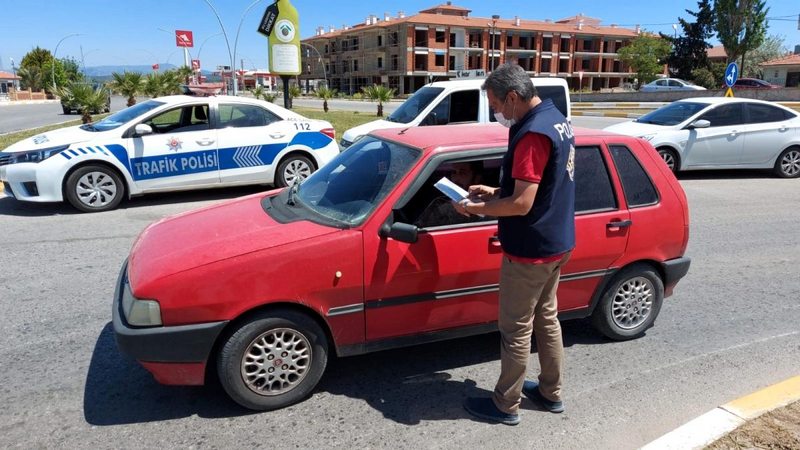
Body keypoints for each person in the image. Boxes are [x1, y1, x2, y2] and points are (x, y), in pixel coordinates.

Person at [455, 63, 576, 425]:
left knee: (516, 329)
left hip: (529, 250)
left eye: (495, 104)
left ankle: (506, 404)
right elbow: (541, 186)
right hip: (557, 242)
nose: (495, 113)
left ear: (512, 97)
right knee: (547, 319)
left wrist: (478, 208)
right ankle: (551, 393)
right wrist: (495, 191)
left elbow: (522, 204)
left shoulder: (531, 134)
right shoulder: (554, 117)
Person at [414, 161, 484, 227]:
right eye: (454, 172)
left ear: (477, 177)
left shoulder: (486, 203)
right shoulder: (440, 203)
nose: (456, 178)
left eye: (462, 173)